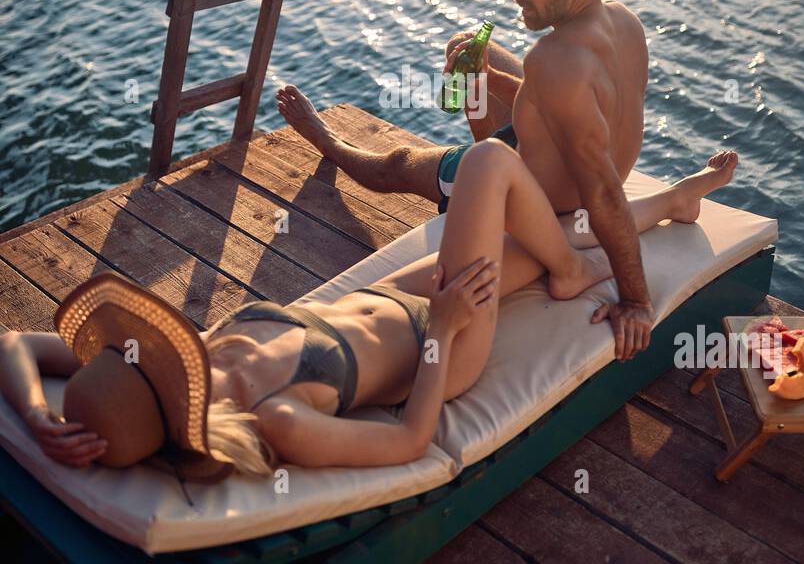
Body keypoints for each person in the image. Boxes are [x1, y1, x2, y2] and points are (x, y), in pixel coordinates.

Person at [0, 138, 738, 477]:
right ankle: (576, 267)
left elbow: (16, 346)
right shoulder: (278, 420)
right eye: (158, 363)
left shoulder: (197, 350)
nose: (158, 346)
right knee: (489, 164)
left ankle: (669, 202)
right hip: (443, 345)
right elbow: (411, 441)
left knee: (525, 231)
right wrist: (445, 332)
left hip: (394, 299)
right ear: (175, 398)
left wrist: (36, 416)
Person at [277, 0, 655, 359]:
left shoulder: (555, 61)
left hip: (537, 196)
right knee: (468, 47)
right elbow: (578, 106)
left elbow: (603, 193)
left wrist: (636, 300)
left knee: (397, 164)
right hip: (552, 159)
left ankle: (326, 139)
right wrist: (496, 82)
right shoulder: (624, 23)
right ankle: (488, 133)